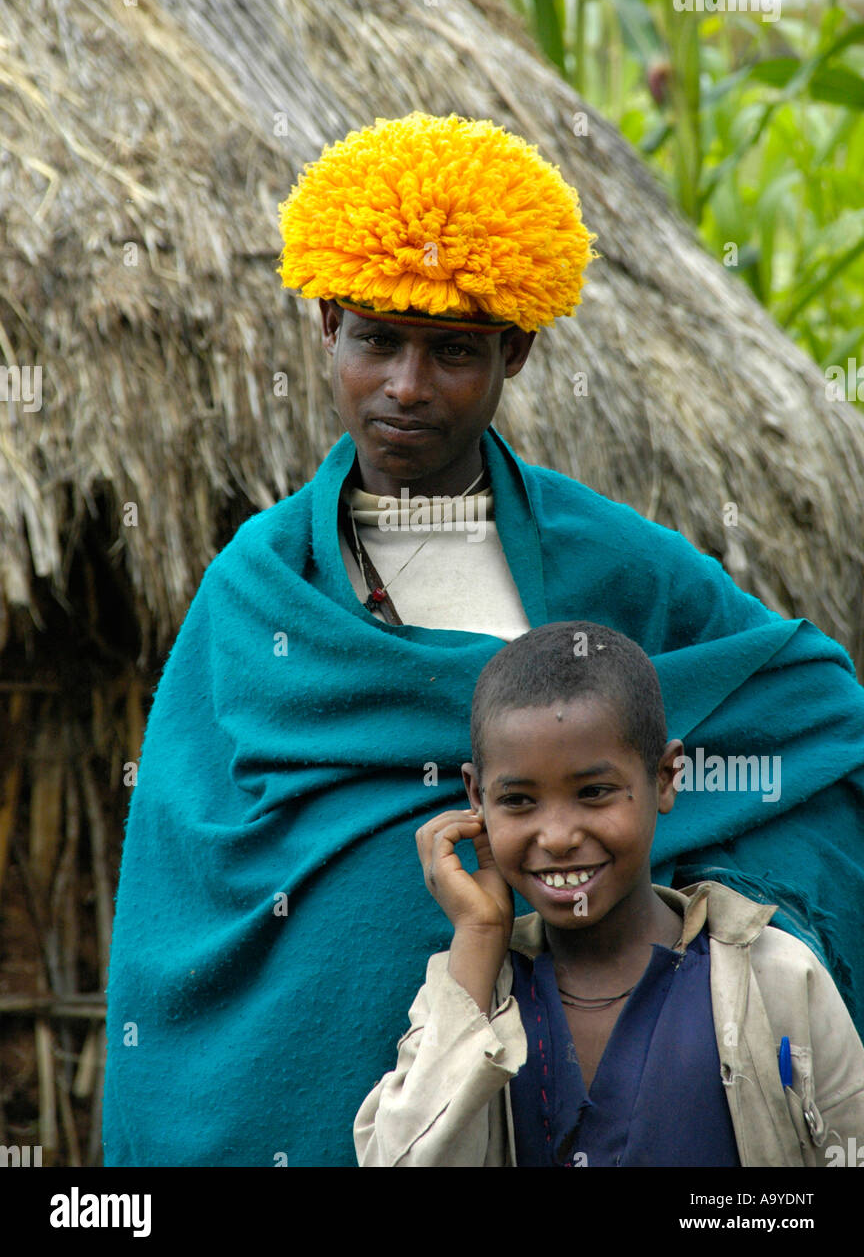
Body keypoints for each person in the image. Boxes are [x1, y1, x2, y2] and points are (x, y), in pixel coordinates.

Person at [103, 112, 864, 1167]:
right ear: (328, 328)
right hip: (339, 1097)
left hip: (574, 1088)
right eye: (376, 339)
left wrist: (723, 921)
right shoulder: (261, 590)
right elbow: (191, 884)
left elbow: (809, 707)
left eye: (453, 350)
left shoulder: (609, 561)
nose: (408, 386)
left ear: (516, 349)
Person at [354, 621, 864, 1167]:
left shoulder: (776, 979)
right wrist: (478, 937)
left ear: (665, 778)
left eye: (594, 793)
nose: (558, 836)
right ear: (477, 797)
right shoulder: (468, 991)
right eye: (519, 801)